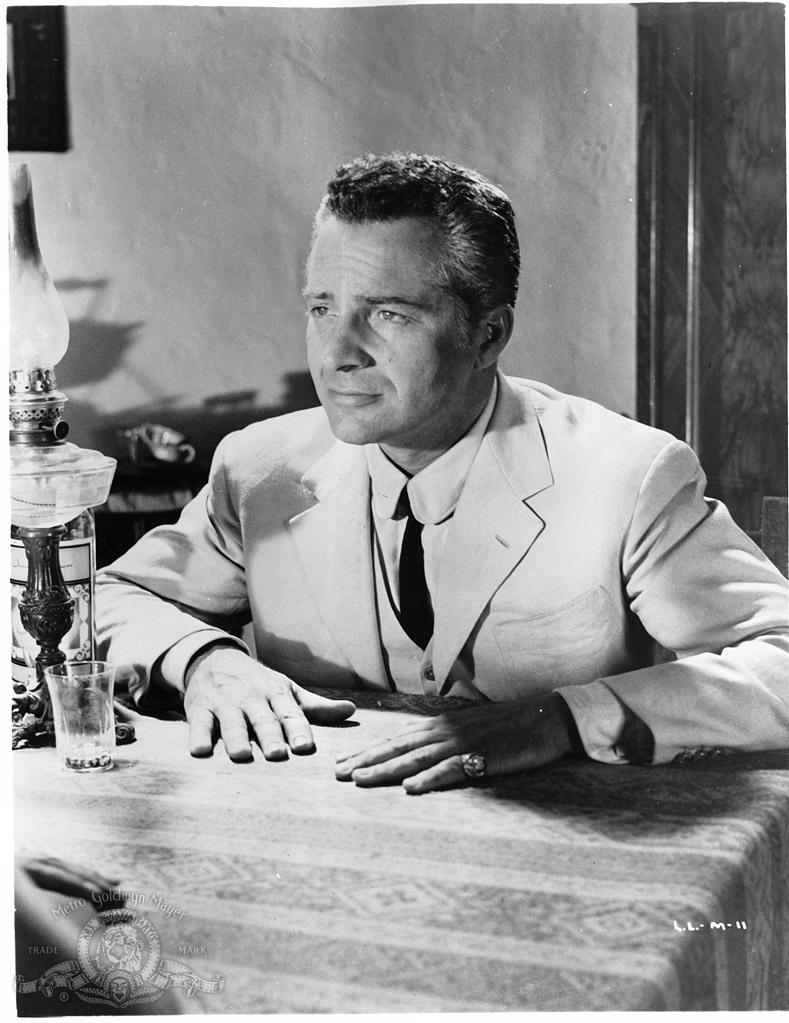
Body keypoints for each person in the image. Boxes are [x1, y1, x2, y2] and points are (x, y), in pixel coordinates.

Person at [96, 152, 789, 793]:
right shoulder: (258, 469)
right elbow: (106, 600)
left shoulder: (625, 475)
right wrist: (202, 659)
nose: (337, 354)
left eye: (388, 314)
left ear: (488, 335)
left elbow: (782, 661)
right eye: (322, 308)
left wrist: (563, 717)